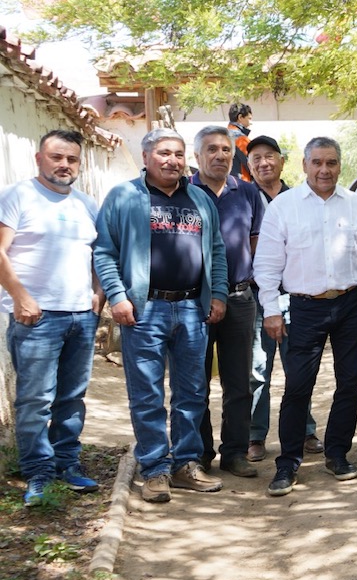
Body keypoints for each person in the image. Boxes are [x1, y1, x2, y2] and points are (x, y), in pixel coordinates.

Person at [94, 127, 228, 503]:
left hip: (191, 309)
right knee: (147, 393)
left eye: (178, 154)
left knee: (192, 391)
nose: (172, 161)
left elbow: (216, 252)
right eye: (164, 153)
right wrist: (117, 297)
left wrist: (217, 294)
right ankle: (155, 468)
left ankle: (186, 463)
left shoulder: (200, 199)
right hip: (144, 309)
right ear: (147, 157)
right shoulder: (125, 196)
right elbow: (104, 251)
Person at [255, 137, 357, 496]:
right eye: (317, 163)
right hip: (303, 306)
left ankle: (338, 453)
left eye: (331, 163)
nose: (324, 170)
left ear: (340, 166)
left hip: (351, 303)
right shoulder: (284, 206)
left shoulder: (356, 205)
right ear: (305, 165)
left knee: (349, 382)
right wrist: (270, 310)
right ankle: (288, 463)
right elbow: (266, 265)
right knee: (297, 386)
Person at [0, 130, 103, 506]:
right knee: (35, 401)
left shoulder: (86, 205)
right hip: (36, 318)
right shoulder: (16, 197)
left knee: (72, 398)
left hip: (81, 316)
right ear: (39, 158)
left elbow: (99, 254)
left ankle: (66, 464)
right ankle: (38, 474)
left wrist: (97, 293)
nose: (64, 165)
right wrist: (20, 296)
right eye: (57, 157)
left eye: (72, 159)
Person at [191, 125, 264, 479]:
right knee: (196, 382)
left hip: (239, 299)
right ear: (197, 156)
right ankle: (200, 453)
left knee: (238, 383)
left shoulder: (248, 193)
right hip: (194, 303)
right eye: (211, 149)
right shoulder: (183, 192)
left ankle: (234, 452)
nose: (220, 155)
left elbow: (256, 245)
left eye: (225, 150)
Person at [245, 136, 321, 460]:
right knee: (258, 369)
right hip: (258, 296)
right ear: (249, 166)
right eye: (256, 158)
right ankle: (255, 436)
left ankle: (305, 430)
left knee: (298, 366)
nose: (264, 163)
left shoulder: (301, 197)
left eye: (269, 156)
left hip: (297, 296)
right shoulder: (246, 198)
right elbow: (248, 245)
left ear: (281, 160)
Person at [227, 102, 253, 182]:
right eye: (249, 119)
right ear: (240, 117)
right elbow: (252, 164)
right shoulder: (240, 138)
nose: (250, 123)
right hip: (242, 183)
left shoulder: (223, 135)